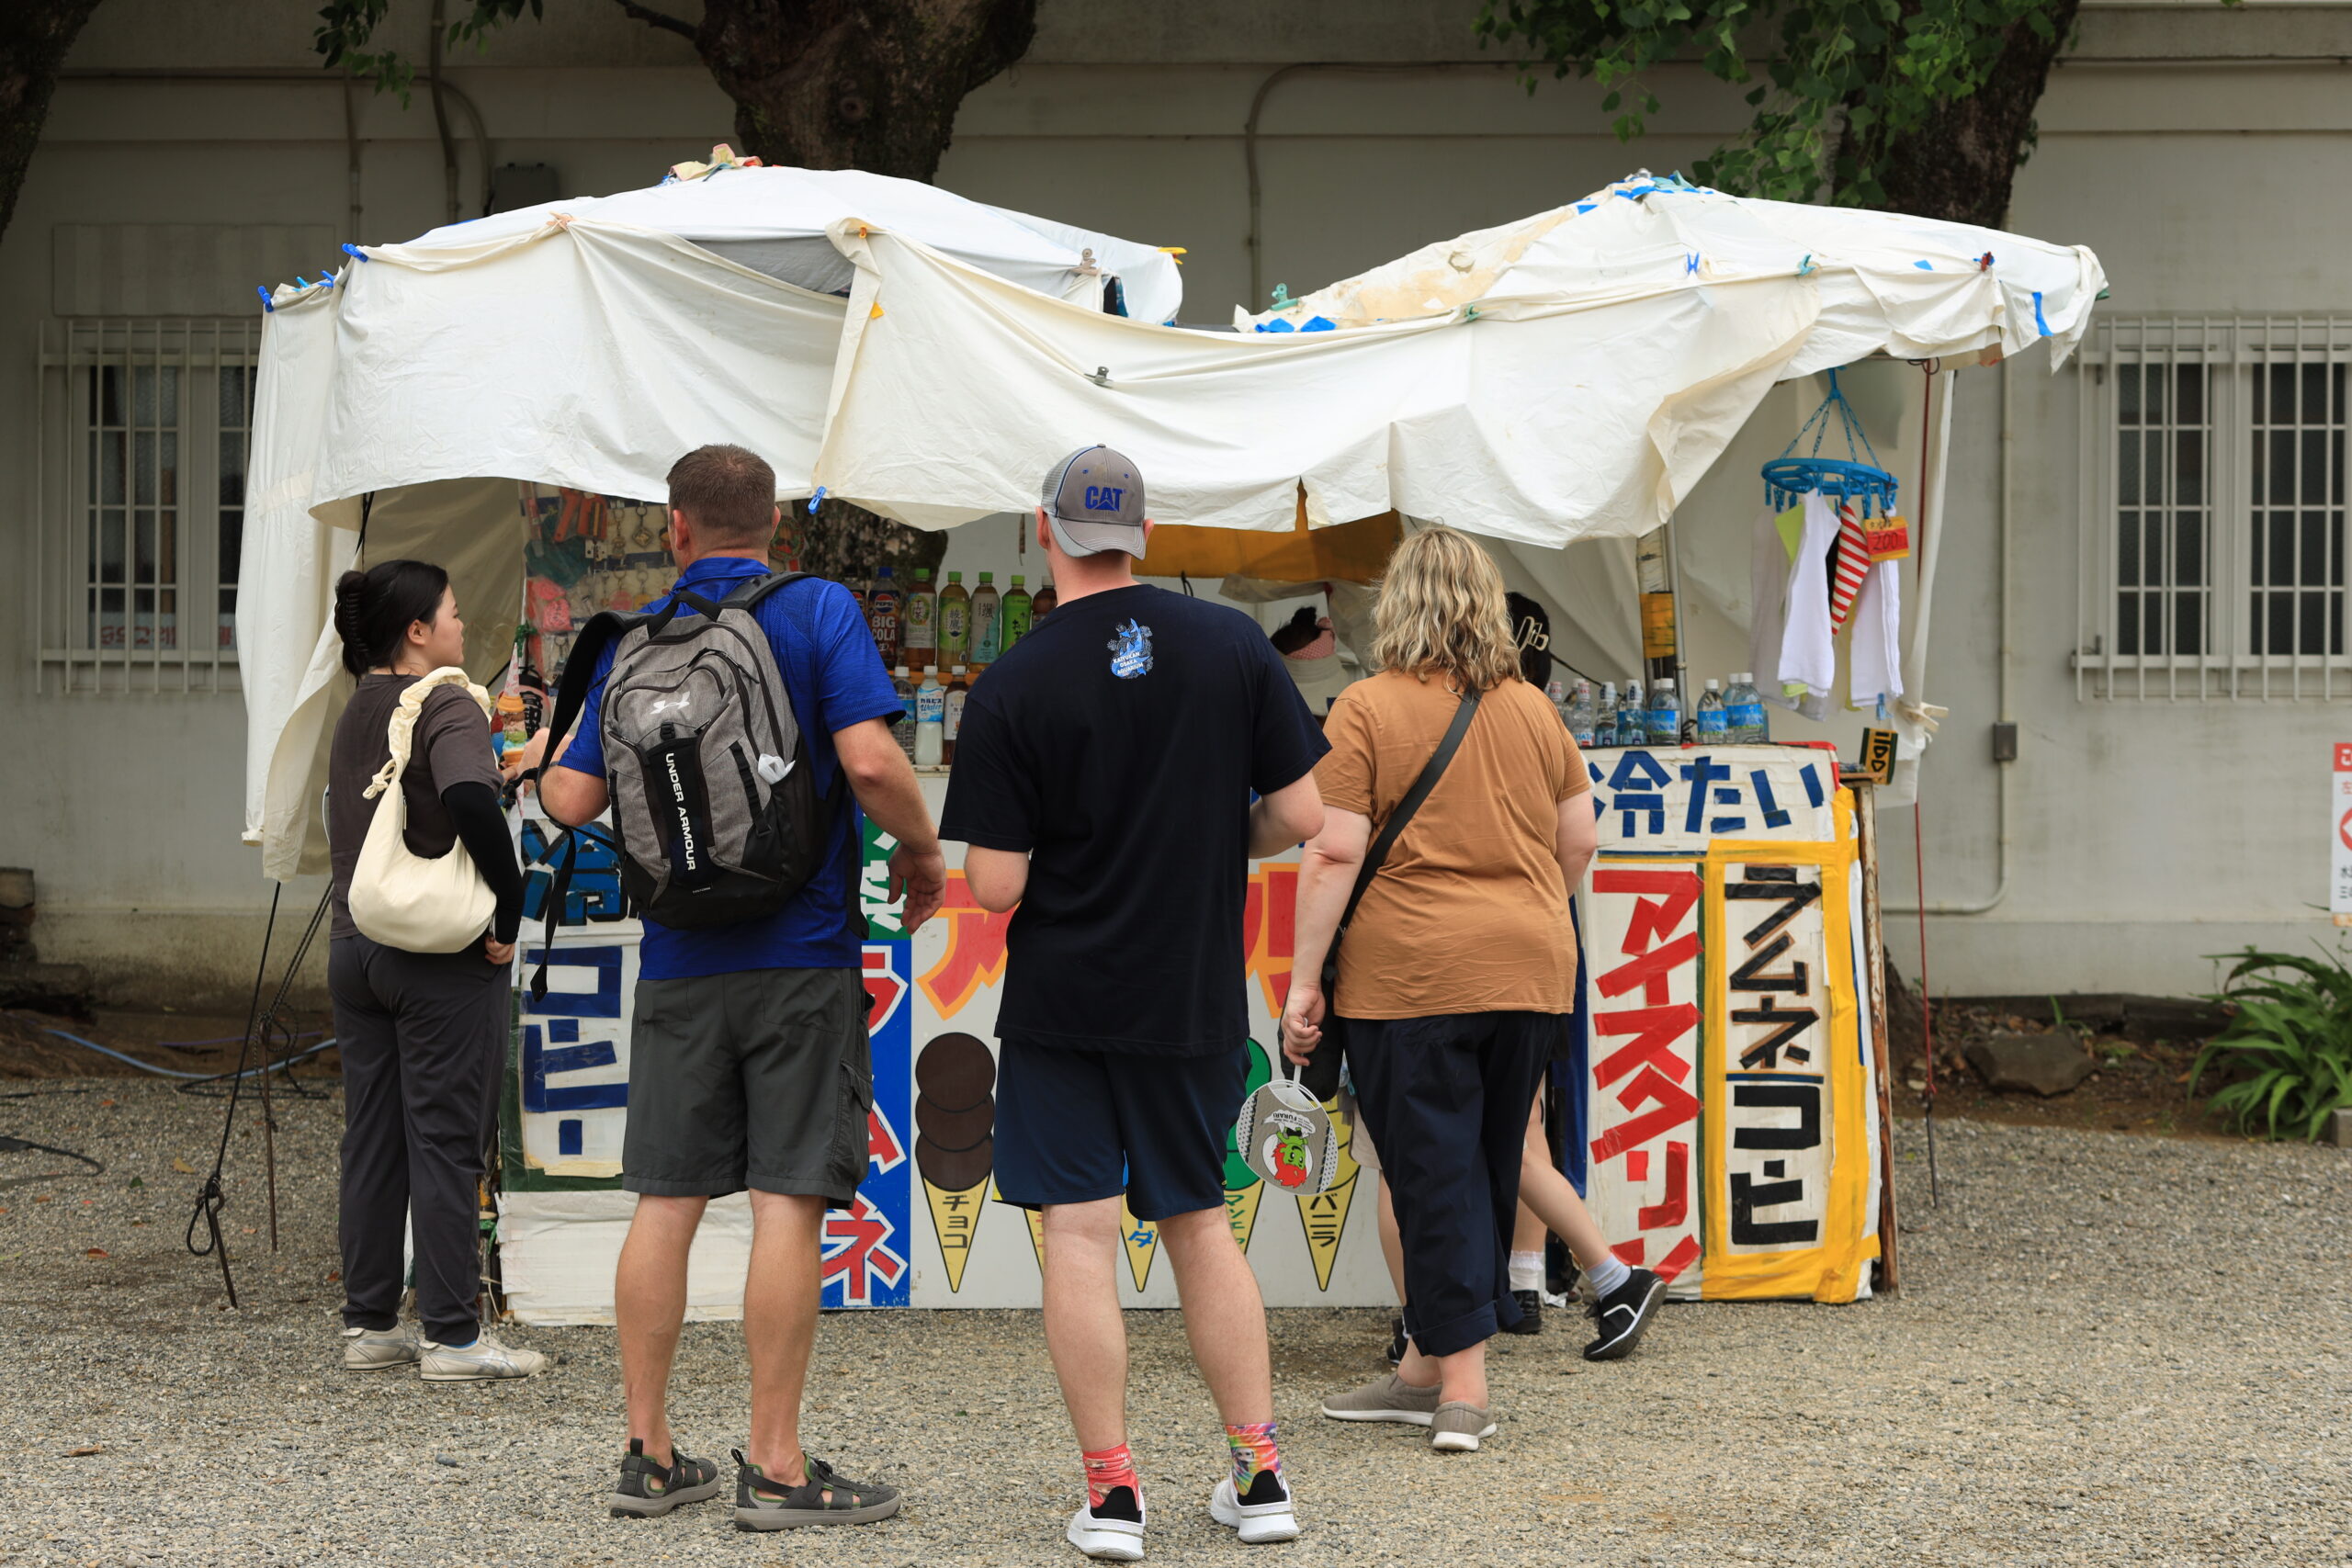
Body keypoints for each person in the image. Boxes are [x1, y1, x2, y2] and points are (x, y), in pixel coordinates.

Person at [516, 445, 946, 1529]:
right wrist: (925, 855)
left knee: (665, 1200)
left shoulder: (632, 640)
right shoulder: (815, 613)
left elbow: (568, 798)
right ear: (776, 524)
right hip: (798, 959)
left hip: (675, 964)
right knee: (785, 1203)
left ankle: (649, 1453)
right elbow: (873, 763)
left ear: (677, 529)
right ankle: (776, 1463)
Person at [942, 446, 1327, 1560]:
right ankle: (1259, 1479)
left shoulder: (1012, 680)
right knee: (1201, 1223)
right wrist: (1217, 842)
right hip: (1191, 991)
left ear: (1042, 529)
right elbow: (1302, 815)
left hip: (1065, 999)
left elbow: (998, 883)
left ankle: (1113, 1498)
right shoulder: (1232, 648)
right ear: (1143, 535)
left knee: (1078, 1234)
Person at [1282, 524, 1639, 1452]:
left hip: (1410, 974)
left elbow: (1331, 851)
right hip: (1529, 967)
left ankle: (1463, 1389)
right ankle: (1416, 1374)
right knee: (1479, 1162)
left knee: (1430, 1174)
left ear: (1397, 604)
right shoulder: (1531, 710)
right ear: (1487, 606)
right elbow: (1579, 842)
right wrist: (1517, 913)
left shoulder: (1363, 708)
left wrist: (1302, 980)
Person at [326, 558, 540, 1382]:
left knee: (373, 1137)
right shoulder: (448, 696)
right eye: (450, 611)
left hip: (357, 948)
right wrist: (509, 903)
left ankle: (373, 1323)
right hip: (439, 955)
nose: (459, 624)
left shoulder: (358, 710)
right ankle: (453, 1334)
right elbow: (467, 798)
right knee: (449, 1139)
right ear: (418, 631)